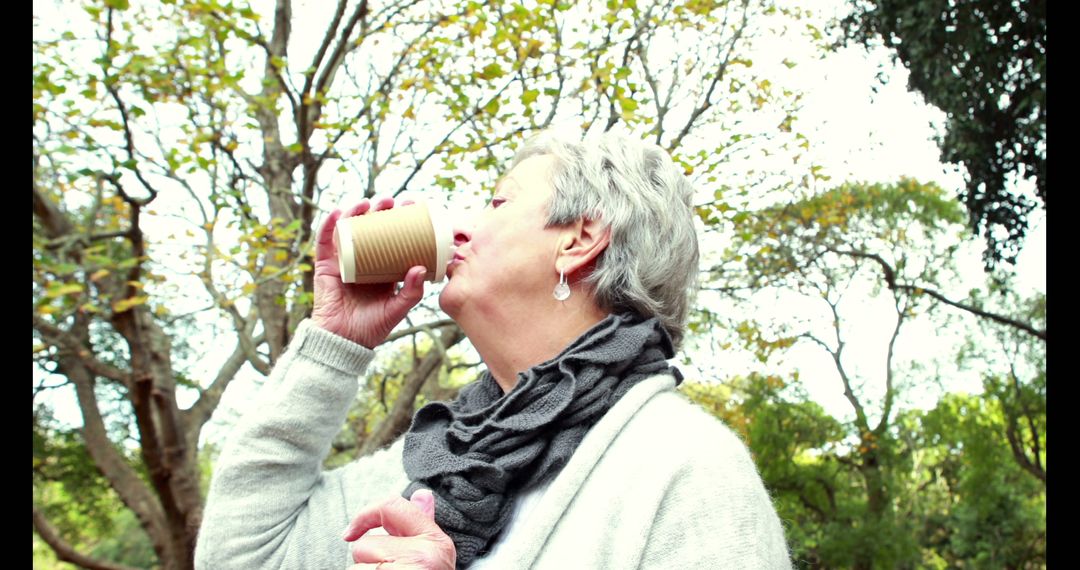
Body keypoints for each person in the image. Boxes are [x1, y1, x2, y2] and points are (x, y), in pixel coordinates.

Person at [194, 130, 793, 569]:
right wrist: (335, 339)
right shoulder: (437, 465)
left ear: (579, 240)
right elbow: (242, 557)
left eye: (498, 203)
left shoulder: (685, 468)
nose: (459, 231)